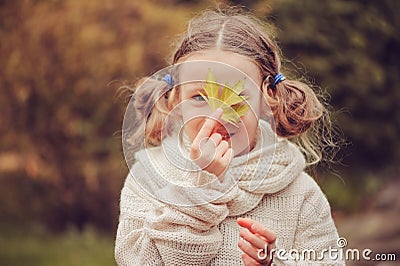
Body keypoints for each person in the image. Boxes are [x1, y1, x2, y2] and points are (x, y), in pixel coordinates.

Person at [115, 8, 344, 266]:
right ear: (175, 100)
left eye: (236, 96)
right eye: (200, 97)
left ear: (267, 99)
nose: (218, 113)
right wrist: (202, 186)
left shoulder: (301, 194)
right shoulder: (147, 177)